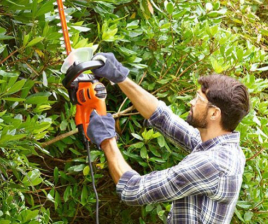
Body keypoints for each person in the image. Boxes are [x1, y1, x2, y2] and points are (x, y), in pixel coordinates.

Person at [87, 53, 250, 224]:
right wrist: (120, 77)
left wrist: (107, 140)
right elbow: (163, 118)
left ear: (214, 113)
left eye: (199, 99)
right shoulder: (222, 146)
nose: (192, 103)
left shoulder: (212, 164)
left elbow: (132, 190)